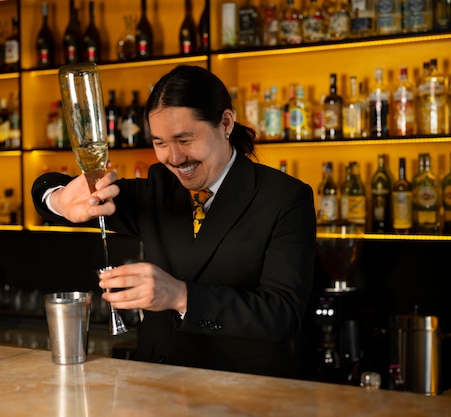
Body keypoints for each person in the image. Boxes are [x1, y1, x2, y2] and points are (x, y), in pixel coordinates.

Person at [32, 65, 316, 378]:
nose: (174, 158)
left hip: (241, 394)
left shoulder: (284, 198)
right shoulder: (159, 187)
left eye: (184, 139)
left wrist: (181, 296)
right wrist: (60, 201)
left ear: (225, 123)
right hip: (156, 388)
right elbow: (47, 188)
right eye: (160, 143)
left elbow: (282, 315)